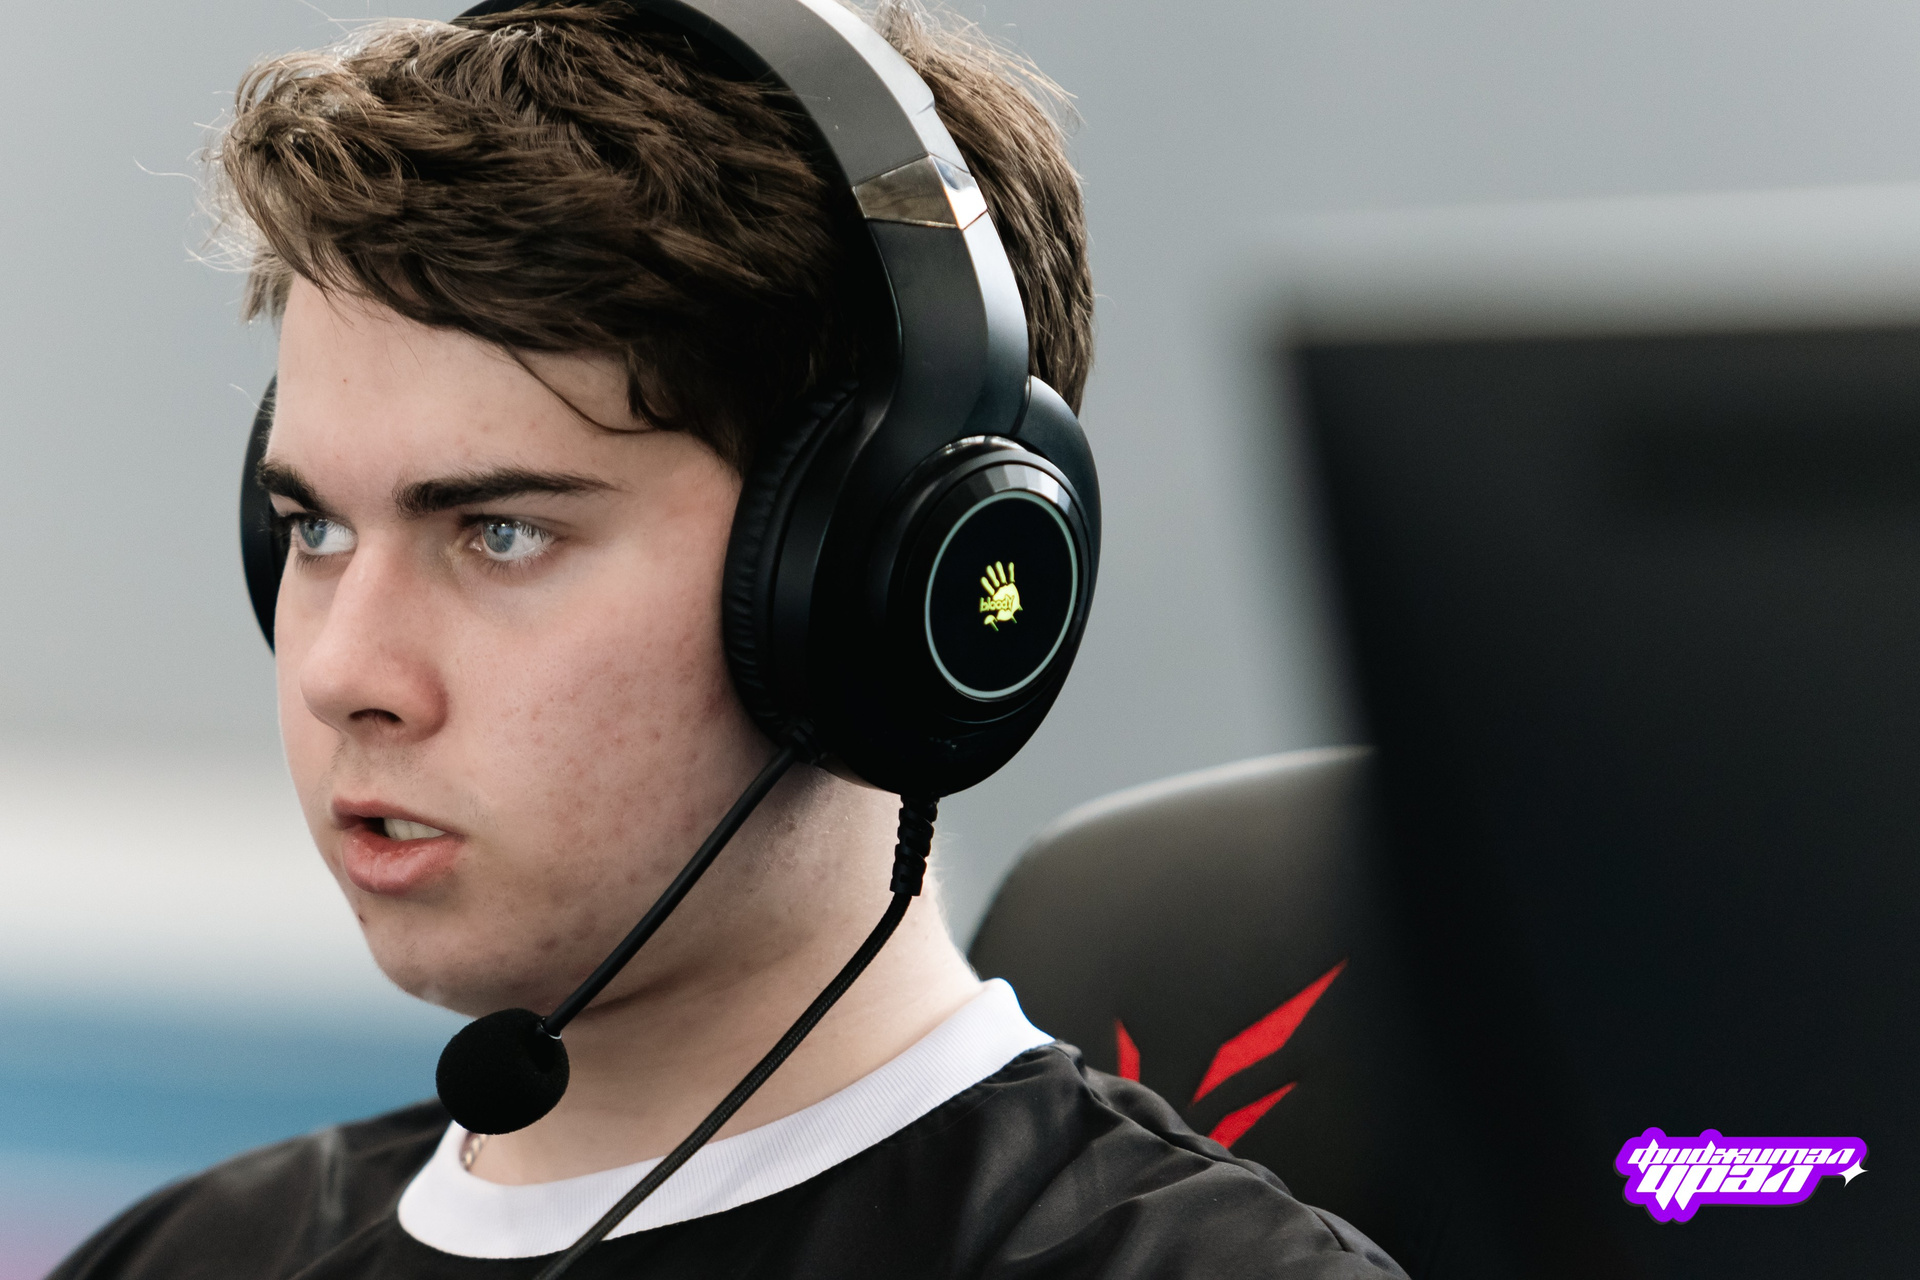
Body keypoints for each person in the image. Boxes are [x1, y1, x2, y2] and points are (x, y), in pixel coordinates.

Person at [52, 3, 1407, 1276]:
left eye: (501, 533)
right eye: (315, 529)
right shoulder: (184, 1254)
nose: (343, 673)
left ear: (876, 582)